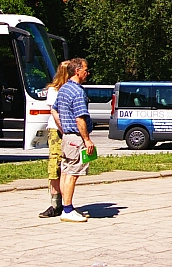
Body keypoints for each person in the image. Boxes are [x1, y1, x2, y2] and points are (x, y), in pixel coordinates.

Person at [51, 57, 95, 223]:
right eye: (85, 69)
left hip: (67, 137)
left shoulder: (63, 89)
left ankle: (65, 207)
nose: (87, 73)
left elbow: (54, 111)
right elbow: (80, 118)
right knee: (72, 173)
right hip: (76, 138)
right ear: (77, 71)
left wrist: (63, 129)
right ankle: (68, 210)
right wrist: (87, 140)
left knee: (65, 171)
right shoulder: (77, 91)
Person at [38, 61, 70, 218]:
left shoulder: (72, 89)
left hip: (68, 131)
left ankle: (66, 203)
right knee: (55, 165)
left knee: (67, 166)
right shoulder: (53, 90)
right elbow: (55, 112)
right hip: (56, 130)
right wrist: (64, 130)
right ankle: (56, 204)